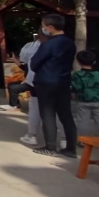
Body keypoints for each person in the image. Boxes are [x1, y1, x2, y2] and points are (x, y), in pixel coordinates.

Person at [30, 14, 77, 158]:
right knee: (66, 115)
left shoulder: (48, 44)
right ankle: (71, 148)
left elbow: (34, 63)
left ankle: (50, 146)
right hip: (63, 82)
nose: (43, 28)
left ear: (50, 27)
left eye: (44, 26)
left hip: (46, 82)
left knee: (48, 114)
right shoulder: (70, 43)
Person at [70, 50, 99, 140]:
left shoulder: (77, 75)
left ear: (78, 62)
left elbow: (75, 88)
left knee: (83, 121)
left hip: (83, 101)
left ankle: (83, 140)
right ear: (94, 62)